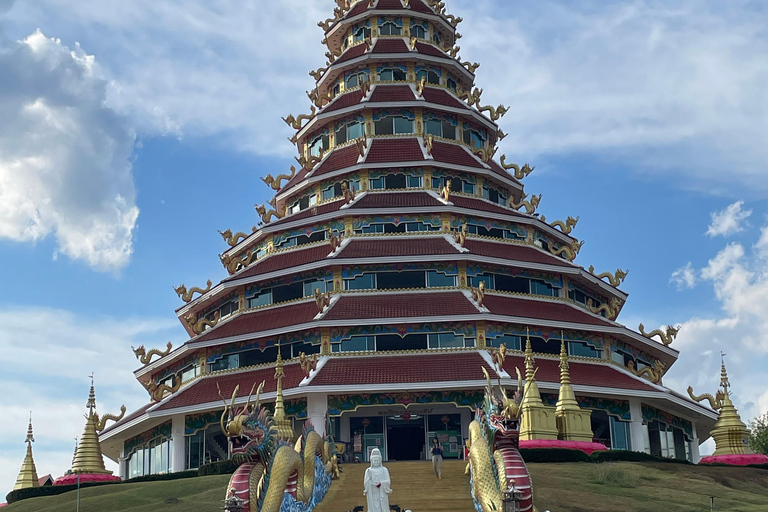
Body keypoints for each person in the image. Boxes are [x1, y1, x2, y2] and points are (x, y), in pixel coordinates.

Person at [363, 448, 391, 512]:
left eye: (377, 460)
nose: (376, 462)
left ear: (380, 460)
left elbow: (388, 482)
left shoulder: (384, 470)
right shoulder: (368, 470)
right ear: (371, 461)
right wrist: (369, 479)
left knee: (383, 506)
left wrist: (381, 484)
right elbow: (365, 483)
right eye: (374, 460)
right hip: (372, 493)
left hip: (381, 493)